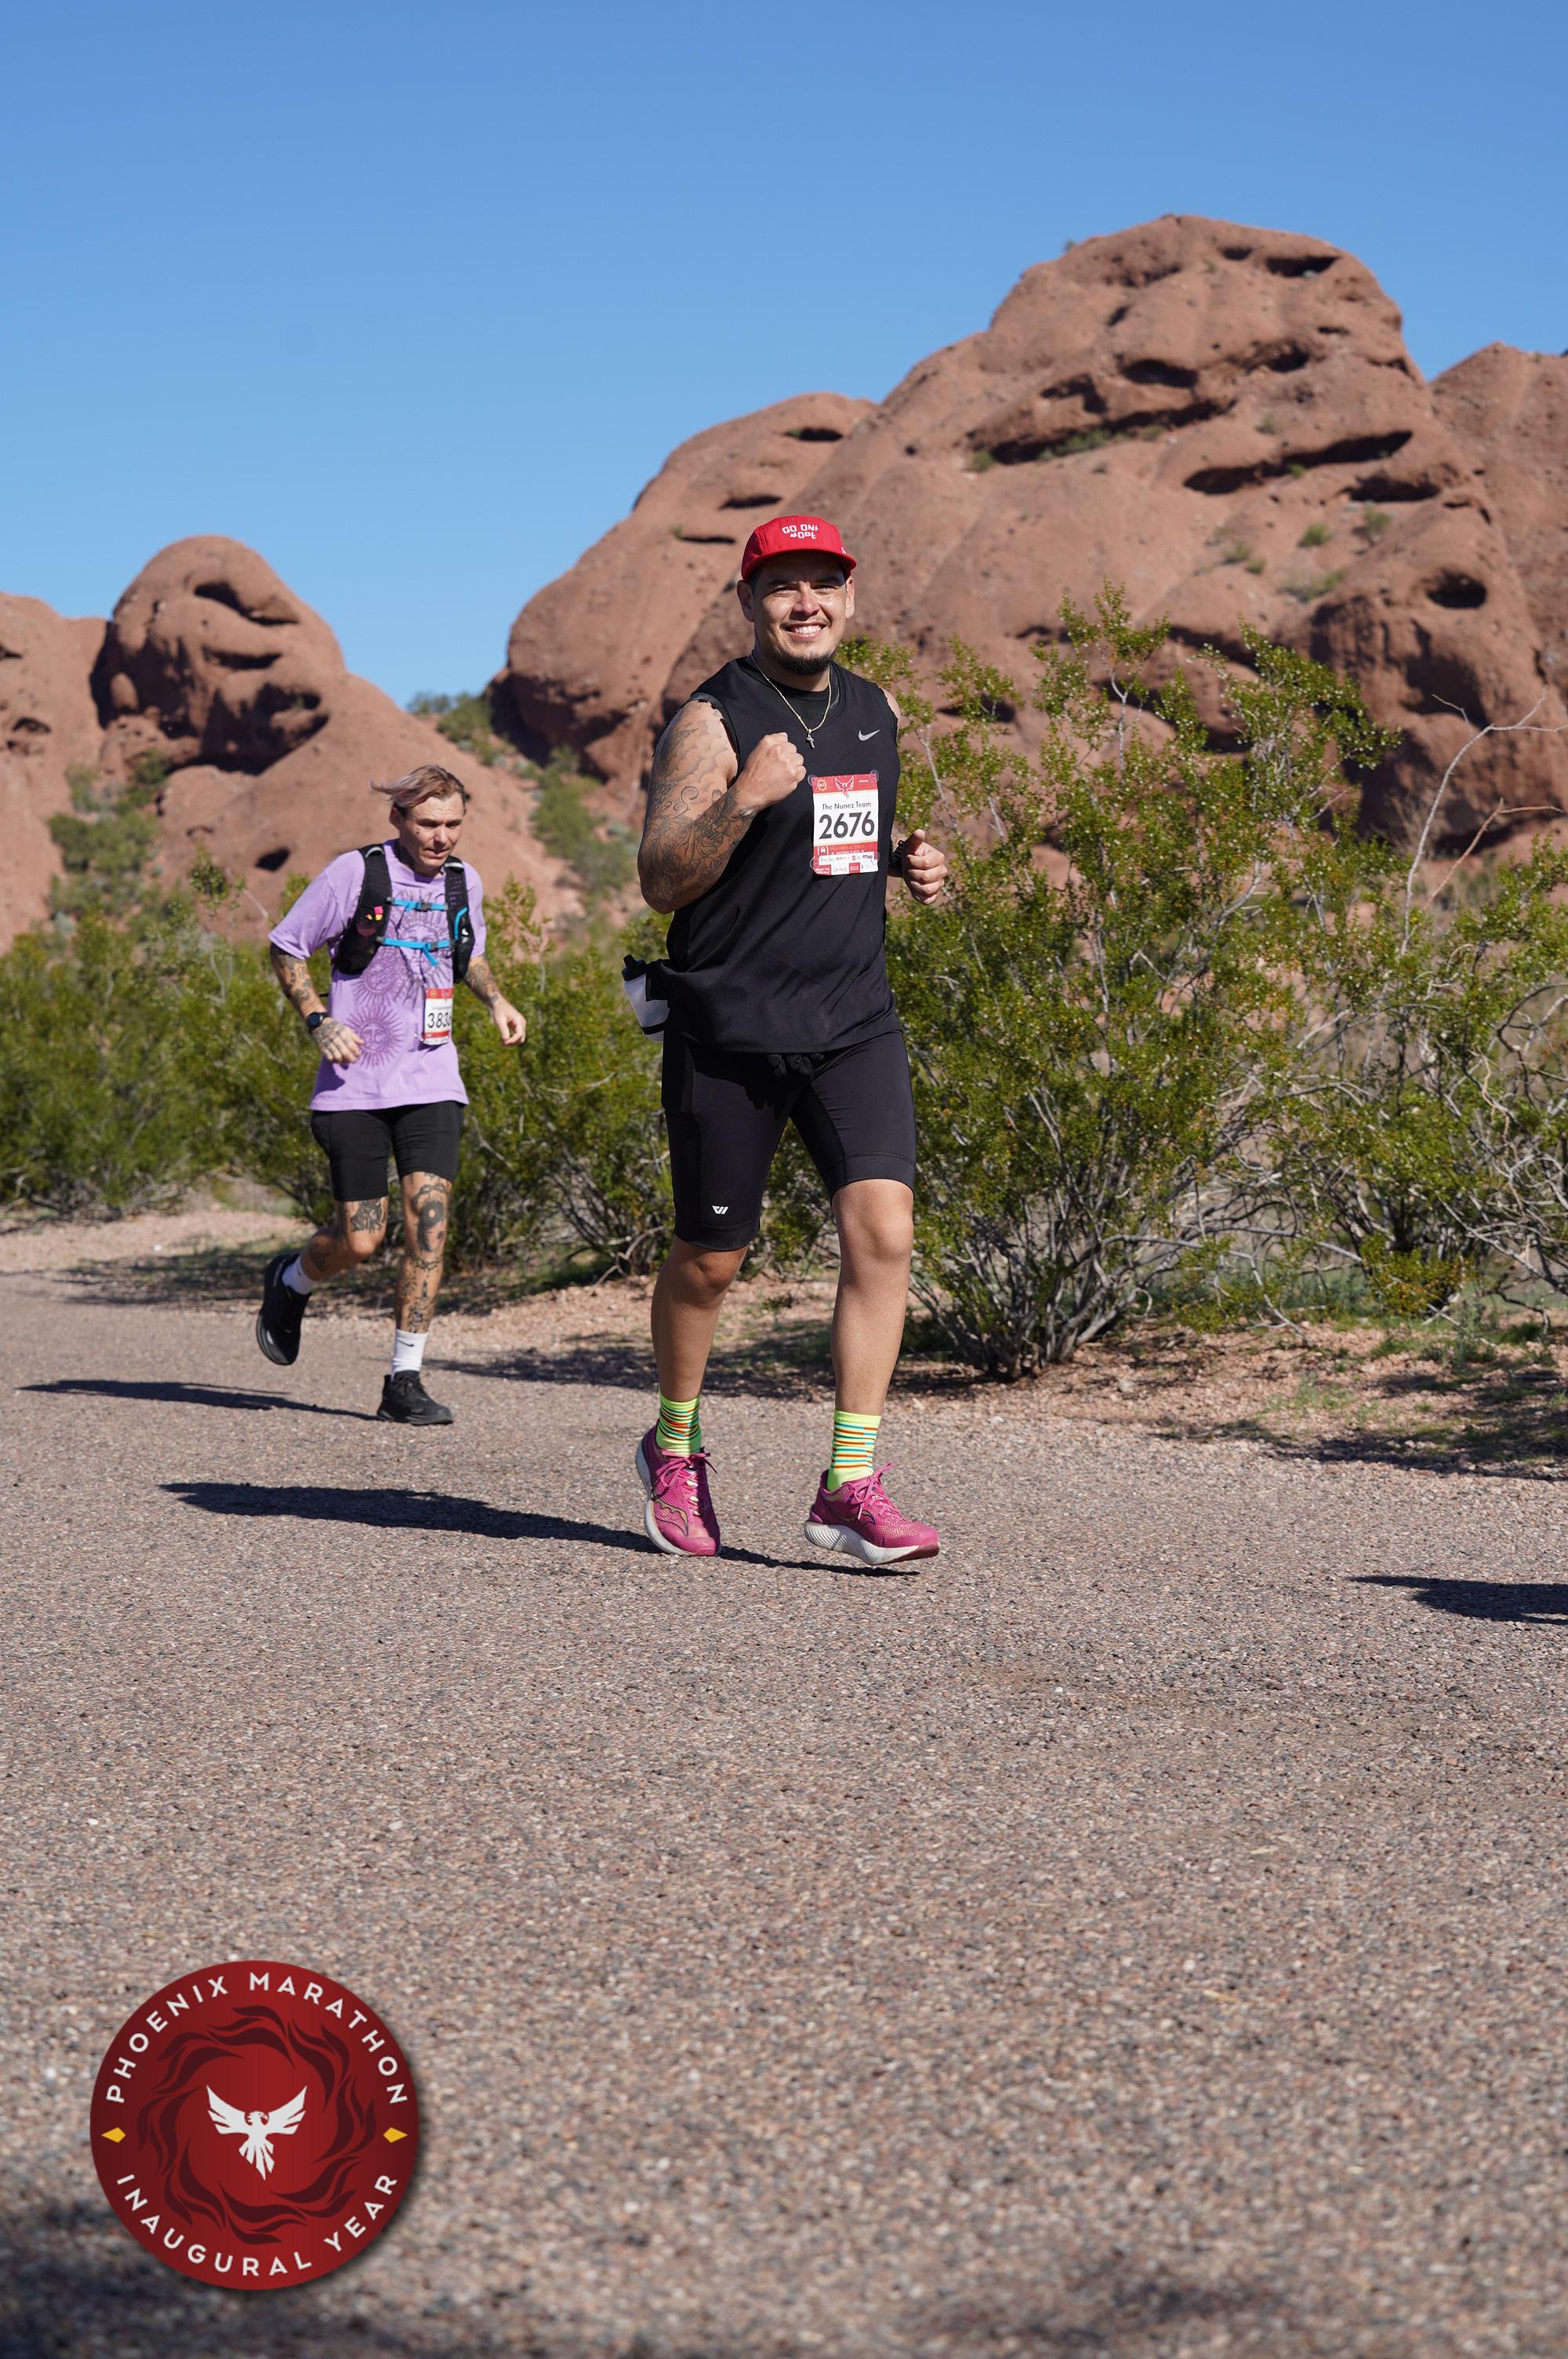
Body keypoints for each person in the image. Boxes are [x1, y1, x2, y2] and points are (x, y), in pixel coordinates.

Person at [633, 514, 948, 1565]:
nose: (804, 604)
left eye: (822, 584)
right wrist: (741, 797)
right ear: (749, 602)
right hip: (732, 1024)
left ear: (848, 597)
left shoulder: (876, 710)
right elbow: (663, 878)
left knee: (884, 1234)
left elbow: (840, 828)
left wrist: (907, 857)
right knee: (711, 1259)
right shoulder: (711, 721)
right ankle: (675, 1446)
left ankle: (849, 1484)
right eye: (782, 586)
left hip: (853, 1017)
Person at [256, 764, 526, 1423]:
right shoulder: (355, 874)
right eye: (428, 824)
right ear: (398, 819)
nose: (441, 837)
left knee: (429, 1227)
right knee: (361, 1240)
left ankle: (404, 1380)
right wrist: (319, 1021)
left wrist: (496, 1000)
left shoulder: (464, 882)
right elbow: (286, 947)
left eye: (453, 825)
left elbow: (468, 954)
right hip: (354, 1085)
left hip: (432, 1079)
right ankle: (291, 1281)